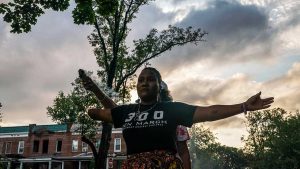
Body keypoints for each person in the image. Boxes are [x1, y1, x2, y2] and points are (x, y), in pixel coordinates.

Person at [87, 67, 274, 169]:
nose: (144, 82)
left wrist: (243, 106)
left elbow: (210, 112)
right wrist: (94, 93)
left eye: (150, 79)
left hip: (165, 165)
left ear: (159, 86)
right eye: (141, 80)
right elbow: (102, 112)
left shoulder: (172, 109)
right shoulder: (126, 112)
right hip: (134, 165)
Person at [80, 69, 192, 169]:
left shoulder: (173, 115)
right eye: (142, 81)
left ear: (160, 92)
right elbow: (116, 112)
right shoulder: (136, 113)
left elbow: (183, 152)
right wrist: (95, 90)